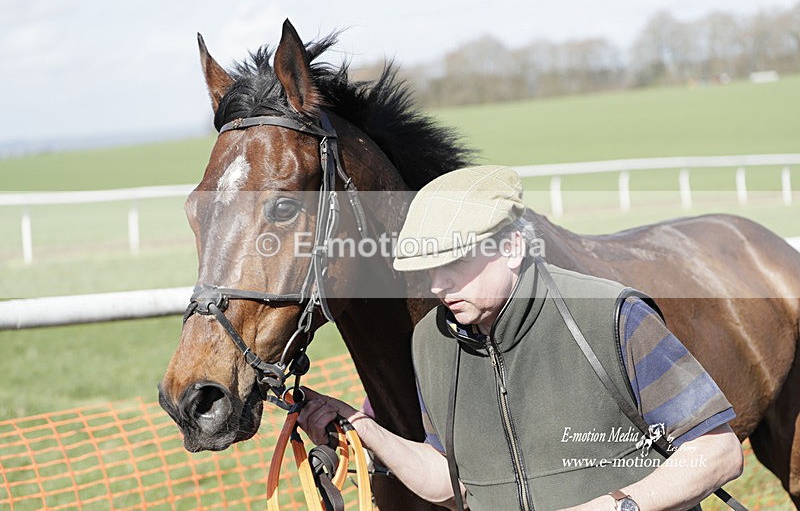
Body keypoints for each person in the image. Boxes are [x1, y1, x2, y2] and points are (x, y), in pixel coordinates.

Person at [298, 165, 743, 510]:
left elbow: (718, 452)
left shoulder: (613, 314)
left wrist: (617, 504)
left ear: (510, 248)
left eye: (453, 262)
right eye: (429, 269)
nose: (437, 285)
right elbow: (445, 479)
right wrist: (364, 429)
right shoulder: (431, 343)